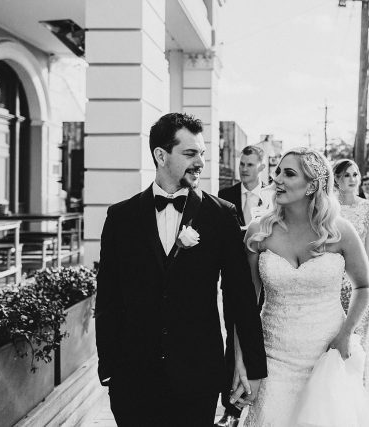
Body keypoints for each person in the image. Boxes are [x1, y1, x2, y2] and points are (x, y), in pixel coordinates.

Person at [95, 112, 267, 426]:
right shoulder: (121, 218)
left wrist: (248, 367)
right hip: (132, 377)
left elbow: (240, 298)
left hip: (197, 375)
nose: (200, 162)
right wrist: (108, 367)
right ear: (161, 155)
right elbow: (108, 299)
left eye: (202, 153)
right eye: (190, 154)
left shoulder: (220, 216)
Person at [233, 148, 369, 426]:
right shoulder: (259, 232)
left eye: (289, 173)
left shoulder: (341, 232)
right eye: (277, 172)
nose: (277, 180)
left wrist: (346, 333)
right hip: (273, 359)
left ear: (312, 185)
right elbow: (245, 304)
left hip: (326, 358)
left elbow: (364, 286)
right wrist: (241, 360)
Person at [216, 145, 272, 427]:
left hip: (269, 276)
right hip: (235, 280)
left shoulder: (274, 196)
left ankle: (259, 393)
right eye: (242, 163)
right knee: (234, 335)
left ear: (261, 167)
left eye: (250, 164)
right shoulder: (225, 197)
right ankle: (231, 407)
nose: (244, 168)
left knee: (263, 334)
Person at [333, 159, 369, 347]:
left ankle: (358, 377)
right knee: (335, 337)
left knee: (358, 339)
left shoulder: (368, 207)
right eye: (346, 175)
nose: (352, 179)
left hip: (359, 281)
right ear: (336, 179)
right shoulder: (329, 208)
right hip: (334, 281)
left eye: (355, 174)